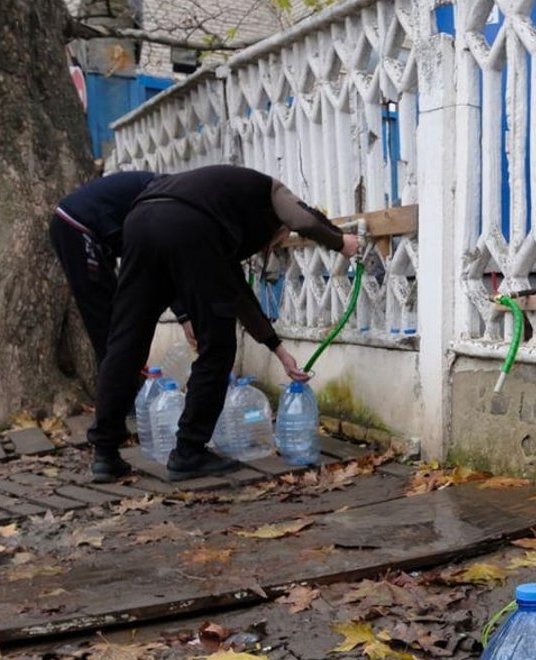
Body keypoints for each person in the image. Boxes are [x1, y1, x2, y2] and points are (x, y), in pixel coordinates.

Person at [87, 165, 360, 483]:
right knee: (217, 346)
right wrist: (340, 242)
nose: (269, 247)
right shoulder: (271, 190)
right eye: (279, 238)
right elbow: (303, 219)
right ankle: (188, 452)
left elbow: (236, 293)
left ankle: (104, 454)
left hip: (137, 223)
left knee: (126, 342)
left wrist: (278, 350)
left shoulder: (220, 202)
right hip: (188, 227)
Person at [50, 170, 195, 363]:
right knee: (104, 322)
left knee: (115, 316)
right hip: (77, 226)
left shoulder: (171, 199)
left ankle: (123, 379)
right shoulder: (165, 200)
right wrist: (185, 315)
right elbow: (160, 261)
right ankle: (117, 386)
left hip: (97, 235)